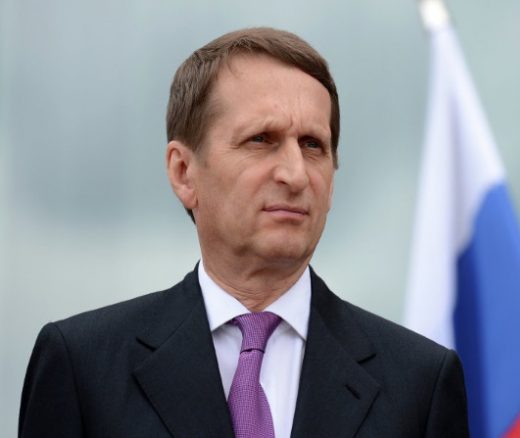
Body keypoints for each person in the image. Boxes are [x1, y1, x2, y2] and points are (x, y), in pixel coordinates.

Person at [19, 27, 469, 438]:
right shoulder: (83, 367)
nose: (295, 174)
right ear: (183, 172)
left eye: (313, 145)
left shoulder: (420, 382)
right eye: (261, 139)